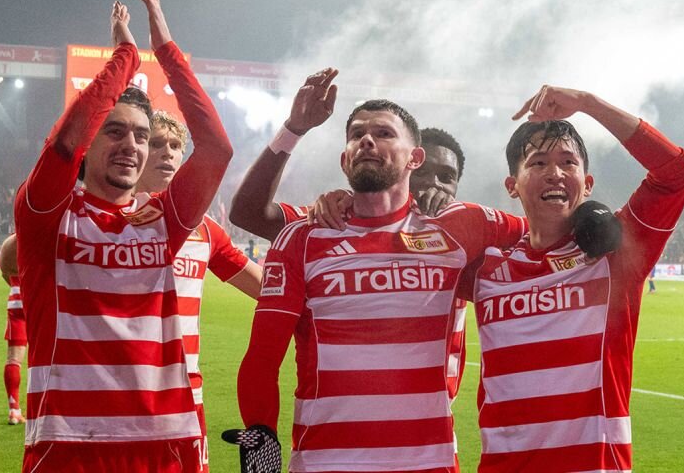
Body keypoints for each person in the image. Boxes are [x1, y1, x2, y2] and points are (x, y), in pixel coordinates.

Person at [227, 99, 523, 473]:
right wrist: (261, 436)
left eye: (383, 133)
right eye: (357, 135)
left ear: (413, 158)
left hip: (428, 462)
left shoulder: (461, 228)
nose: (367, 140)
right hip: (324, 463)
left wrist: (587, 214)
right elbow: (262, 355)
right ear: (344, 159)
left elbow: (551, 233)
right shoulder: (308, 233)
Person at [14, 0, 232, 473]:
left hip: (166, 440)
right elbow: (63, 143)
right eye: (114, 131)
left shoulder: (164, 221)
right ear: (90, 142)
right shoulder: (47, 215)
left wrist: (166, 49)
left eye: (140, 135)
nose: (131, 146)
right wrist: (127, 57)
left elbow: (216, 148)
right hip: (68, 441)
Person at [465, 85, 684, 472]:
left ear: (587, 184)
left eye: (568, 162)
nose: (555, 173)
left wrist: (588, 104)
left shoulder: (614, 255)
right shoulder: (484, 269)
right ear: (512, 185)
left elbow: (677, 173)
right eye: (538, 163)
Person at [227, 70, 474, 400]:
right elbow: (248, 212)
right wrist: (293, 130)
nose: (434, 184)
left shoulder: (466, 239)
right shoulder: (330, 221)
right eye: (426, 173)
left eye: (447, 177)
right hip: (334, 425)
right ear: (409, 164)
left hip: (430, 423)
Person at [136, 108, 263, 473]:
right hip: (123, 395)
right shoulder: (108, 217)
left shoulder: (204, 230)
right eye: (156, 143)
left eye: (176, 146)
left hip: (187, 395)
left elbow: (266, 287)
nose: (168, 152)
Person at [0, 233, 27, 425]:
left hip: (16, 299)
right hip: (39, 298)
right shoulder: (43, 236)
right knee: (46, 357)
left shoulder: (9, 244)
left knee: (13, 358)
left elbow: (5, 274)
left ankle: (14, 410)